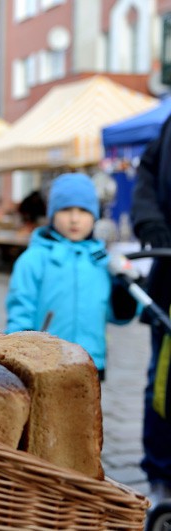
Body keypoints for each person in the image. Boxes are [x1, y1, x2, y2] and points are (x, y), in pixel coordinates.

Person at [6, 173, 136, 380]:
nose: (75, 219)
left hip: (90, 360)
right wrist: (16, 355)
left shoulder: (102, 261)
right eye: (66, 210)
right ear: (52, 214)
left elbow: (117, 315)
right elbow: (21, 309)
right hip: (44, 361)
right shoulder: (34, 259)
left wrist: (126, 289)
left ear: (95, 216)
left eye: (84, 211)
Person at [131, 113, 171, 508]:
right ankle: (161, 477)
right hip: (170, 272)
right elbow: (146, 177)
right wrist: (150, 221)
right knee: (163, 381)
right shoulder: (169, 127)